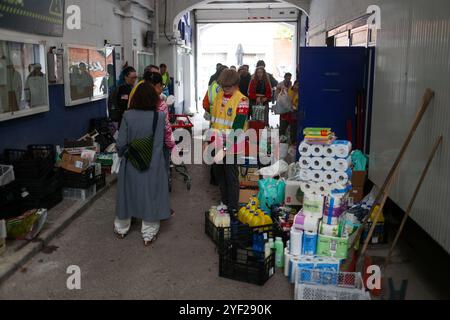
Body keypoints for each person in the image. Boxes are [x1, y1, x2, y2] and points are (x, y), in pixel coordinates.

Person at [115, 82, 170, 246]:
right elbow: (159, 144)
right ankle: (148, 234)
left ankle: (121, 228)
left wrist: (121, 155)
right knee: (151, 195)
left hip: (131, 160)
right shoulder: (159, 117)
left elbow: (121, 142)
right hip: (153, 162)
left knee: (127, 193)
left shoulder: (127, 115)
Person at [210, 69, 250, 212]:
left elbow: (238, 128)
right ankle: (224, 203)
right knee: (219, 175)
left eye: (228, 87)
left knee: (231, 177)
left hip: (232, 146)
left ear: (236, 84)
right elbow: (214, 122)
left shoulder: (242, 101)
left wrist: (226, 149)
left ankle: (232, 208)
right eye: (223, 86)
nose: (225, 89)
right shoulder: (219, 96)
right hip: (216, 143)